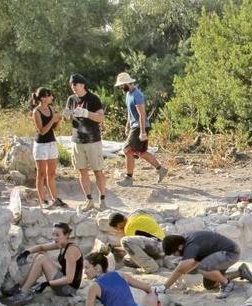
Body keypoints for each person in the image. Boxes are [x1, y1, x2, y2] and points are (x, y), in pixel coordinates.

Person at [4, 222, 83, 306]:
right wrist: (26, 253)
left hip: (68, 289)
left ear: (66, 235)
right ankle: (20, 287)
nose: (54, 238)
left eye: (57, 235)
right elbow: (41, 247)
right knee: (40, 255)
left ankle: (23, 293)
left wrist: (47, 283)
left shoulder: (71, 250)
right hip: (63, 283)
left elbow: (69, 279)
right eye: (53, 235)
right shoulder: (61, 244)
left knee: (41, 258)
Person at [161, 231, 252, 299]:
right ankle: (240, 272)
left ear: (180, 247)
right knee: (210, 285)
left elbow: (181, 269)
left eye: (174, 253)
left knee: (202, 268)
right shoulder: (181, 240)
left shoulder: (191, 245)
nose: (174, 255)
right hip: (216, 255)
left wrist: (164, 287)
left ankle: (227, 284)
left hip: (230, 253)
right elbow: (189, 265)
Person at [114, 72, 168, 187]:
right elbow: (130, 112)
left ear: (127, 83)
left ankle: (129, 178)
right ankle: (161, 169)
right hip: (134, 126)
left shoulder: (137, 95)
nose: (120, 88)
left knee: (127, 150)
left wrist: (143, 132)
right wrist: (127, 124)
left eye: (121, 85)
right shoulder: (128, 94)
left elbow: (142, 114)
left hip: (139, 126)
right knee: (141, 152)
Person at [65, 74, 107, 211]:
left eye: (75, 85)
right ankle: (89, 200)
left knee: (97, 171)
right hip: (77, 140)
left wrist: (87, 113)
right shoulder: (71, 99)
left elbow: (101, 118)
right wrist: (65, 116)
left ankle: (103, 201)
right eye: (71, 85)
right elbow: (67, 117)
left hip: (92, 140)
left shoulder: (93, 99)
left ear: (82, 85)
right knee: (82, 171)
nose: (73, 88)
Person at [30, 87, 66, 209]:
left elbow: (52, 128)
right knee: (41, 174)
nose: (51, 98)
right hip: (41, 145)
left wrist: (58, 120)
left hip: (51, 143)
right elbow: (42, 131)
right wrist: (52, 120)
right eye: (49, 96)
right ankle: (42, 200)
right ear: (42, 98)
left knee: (51, 173)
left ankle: (54, 198)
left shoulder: (50, 108)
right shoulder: (36, 112)